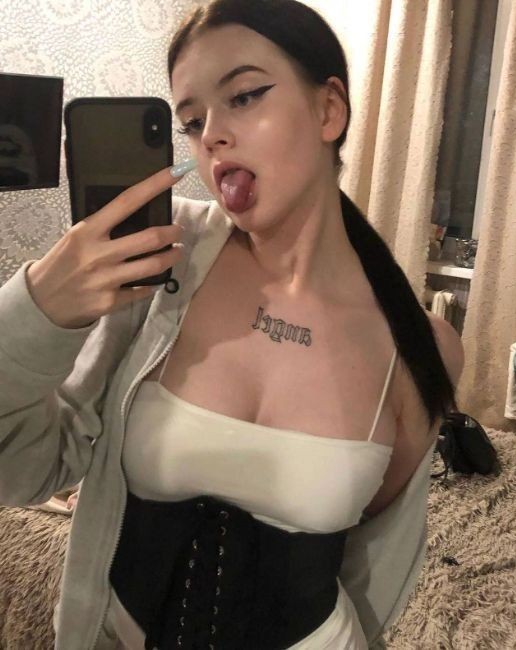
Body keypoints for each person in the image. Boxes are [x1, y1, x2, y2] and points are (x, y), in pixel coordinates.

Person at [0, 1, 465, 648]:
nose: (212, 135)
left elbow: (373, 573)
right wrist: (37, 309)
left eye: (244, 96)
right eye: (192, 121)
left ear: (329, 110)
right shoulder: (161, 258)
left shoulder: (420, 348)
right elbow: (22, 471)